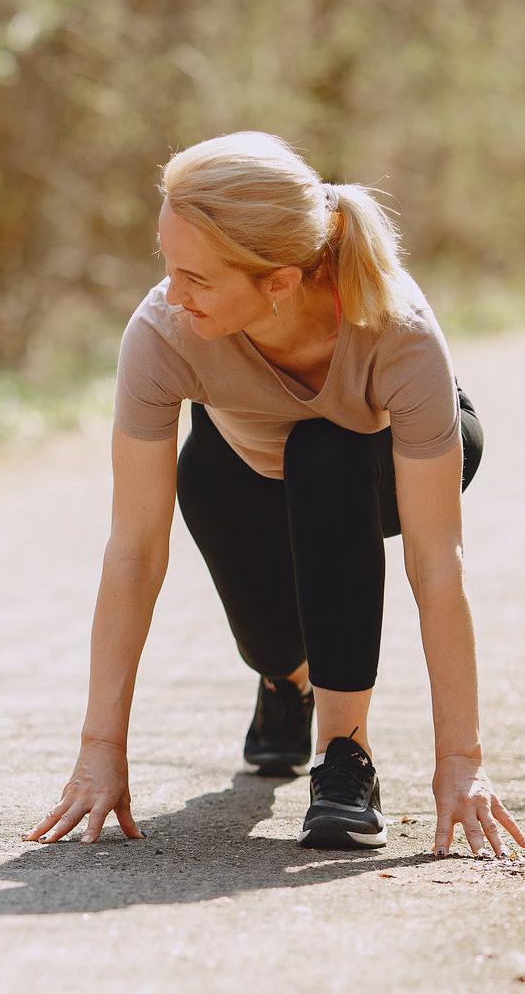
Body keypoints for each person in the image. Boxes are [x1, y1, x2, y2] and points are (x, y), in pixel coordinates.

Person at [28, 132, 522, 855]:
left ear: (279, 284)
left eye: (195, 275)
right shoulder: (164, 333)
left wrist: (462, 764)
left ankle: (343, 756)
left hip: (376, 460)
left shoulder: (396, 330)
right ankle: (287, 683)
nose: (171, 291)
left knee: (326, 451)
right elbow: (133, 551)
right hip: (238, 466)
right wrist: (100, 747)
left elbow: (436, 562)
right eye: (167, 264)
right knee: (271, 640)